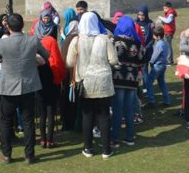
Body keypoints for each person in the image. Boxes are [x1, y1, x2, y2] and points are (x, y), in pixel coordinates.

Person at [0, 13, 49, 164]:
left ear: (7, 26)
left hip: (8, 87)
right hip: (28, 86)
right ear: (23, 26)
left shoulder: (2, 44)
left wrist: (3, 59)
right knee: (28, 122)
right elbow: (46, 55)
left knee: (6, 121)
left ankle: (7, 154)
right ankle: (29, 155)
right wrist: (33, 59)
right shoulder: (32, 40)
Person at [66, 12, 118, 159]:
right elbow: (113, 60)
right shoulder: (104, 39)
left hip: (85, 82)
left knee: (87, 116)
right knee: (104, 116)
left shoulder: (76, 40)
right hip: (103, 82)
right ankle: (106, 150)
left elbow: (69, 62)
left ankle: (88, 148)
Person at [111, 16, 146, 147]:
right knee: (129, 109)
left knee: (117, 109)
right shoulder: (138, 44)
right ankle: (130, 137)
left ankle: (115, 138)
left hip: (118, 79)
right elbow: (142, 61)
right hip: (132, 81)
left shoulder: (115, 42)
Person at [38, 35, 66, 148]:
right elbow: (61, 71)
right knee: (51, 113)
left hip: (40, 89)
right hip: (53, 88)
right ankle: (50, 140)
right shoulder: (55, 59)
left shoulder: (39, 60)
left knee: (42, 114)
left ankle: (42, 140)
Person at [146, 26, 171, 106]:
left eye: (154, 35)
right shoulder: (164, 43)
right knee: (162, 83)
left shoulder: (159, 44)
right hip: (163, 65)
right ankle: (166, 101)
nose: (153, 36)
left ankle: (151, 101)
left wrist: (151, 61)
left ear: (158, 36)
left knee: (149, 82)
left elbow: (155, 55)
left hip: (157, 66)